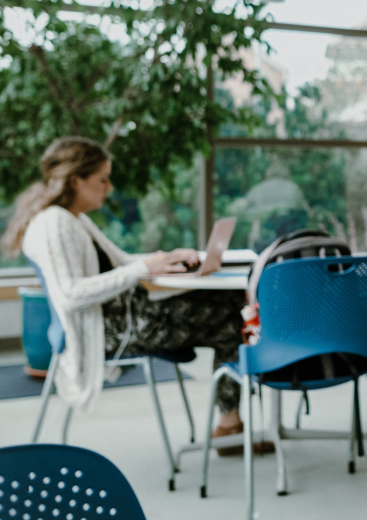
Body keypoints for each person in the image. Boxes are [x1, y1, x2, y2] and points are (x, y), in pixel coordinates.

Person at [0, 137, 252, 453]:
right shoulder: (54, 224)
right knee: (231, 313)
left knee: (228, 307)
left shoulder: (73, 220)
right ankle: (231, 425)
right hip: (110, 331)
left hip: (127, 318)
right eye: (102, 179)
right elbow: (69, 294)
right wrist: (144, 267)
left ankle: (230, 425)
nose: (109, 187)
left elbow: (121, 262)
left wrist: (164, 258)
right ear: (76, 180)